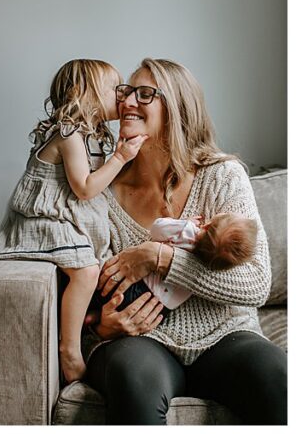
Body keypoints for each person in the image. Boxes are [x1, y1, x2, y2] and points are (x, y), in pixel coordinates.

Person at [85, 58, 286, 424]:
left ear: (178, 108)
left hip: (226, 337)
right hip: (141, 342)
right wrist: (99, 327)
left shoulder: (222, 176)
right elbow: (81, 283)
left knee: (279, 377)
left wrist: (159, 258)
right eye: (126, 91)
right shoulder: (100, 193)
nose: (128, 101)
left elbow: (257, 284)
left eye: (145, 93)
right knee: (133, 377)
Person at [0, 59, 148, 383]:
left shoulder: (93, 134)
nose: (121, 95)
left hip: (68, 216)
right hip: (45, 218)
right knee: (87, 272)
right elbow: (85, 188)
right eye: (113, 88)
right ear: (82, 93)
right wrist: (120, 157)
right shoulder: (69, 133)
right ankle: (69, 351)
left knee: (99, 268)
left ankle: (87, 324)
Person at [104, 213, 258, 318]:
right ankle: (96, 317)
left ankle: (94, 312)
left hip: (138, 288)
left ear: (206, 226)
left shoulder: (187, 231)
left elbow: (157, 228)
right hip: (161, 310)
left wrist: (185, 223)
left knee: (107, 290)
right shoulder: (207, 267)